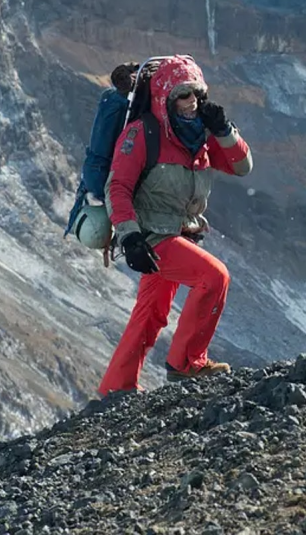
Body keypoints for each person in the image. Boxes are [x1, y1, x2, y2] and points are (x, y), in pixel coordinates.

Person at [98, 54, 252, 394]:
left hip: (180, 233)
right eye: (183, 95)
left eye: (196, 94)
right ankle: (187, 364)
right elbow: (118, 187)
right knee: (214, 277)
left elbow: (242, 166)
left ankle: (115, 390)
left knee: (150, 313)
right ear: (165, 97)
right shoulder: (142, 133)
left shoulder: (201, 135)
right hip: (152, 236)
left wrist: (224, 131)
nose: (191, 102)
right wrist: (130, 237)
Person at [65, 62, 139, 246]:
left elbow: (102, 141)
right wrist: (118, 94)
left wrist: (120, 94)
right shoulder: (96, 184)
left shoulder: (105, 191)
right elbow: (101, 139)